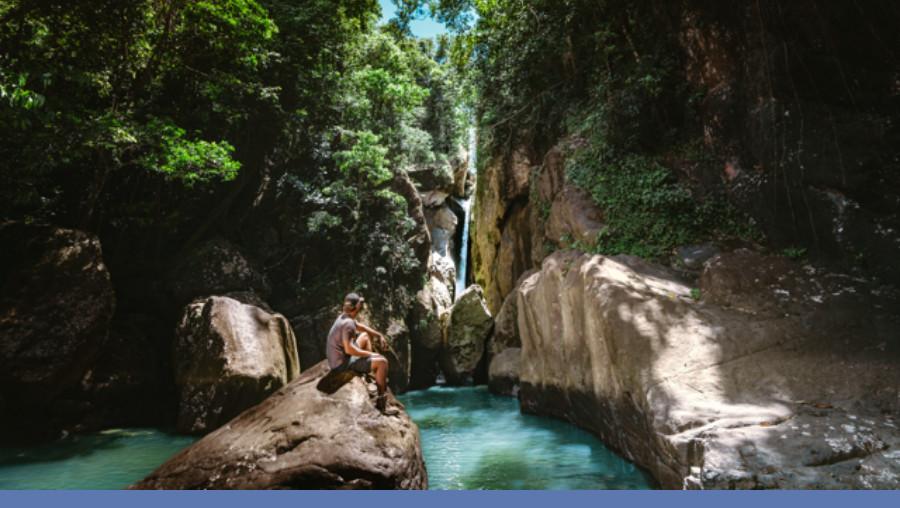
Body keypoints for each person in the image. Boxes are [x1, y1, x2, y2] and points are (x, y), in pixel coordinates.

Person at [326, 292, 390, 412]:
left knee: (365, 336)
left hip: (338, 356)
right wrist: (372, 354)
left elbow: (361, 327)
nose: (361, 303)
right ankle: (382, 402)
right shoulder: (348, 324)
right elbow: (349, 350)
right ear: (356, 306)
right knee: (383, 362)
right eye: (360, 302)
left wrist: (379, 335)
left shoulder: (345, 316)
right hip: (341, 363)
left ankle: (367, 370)